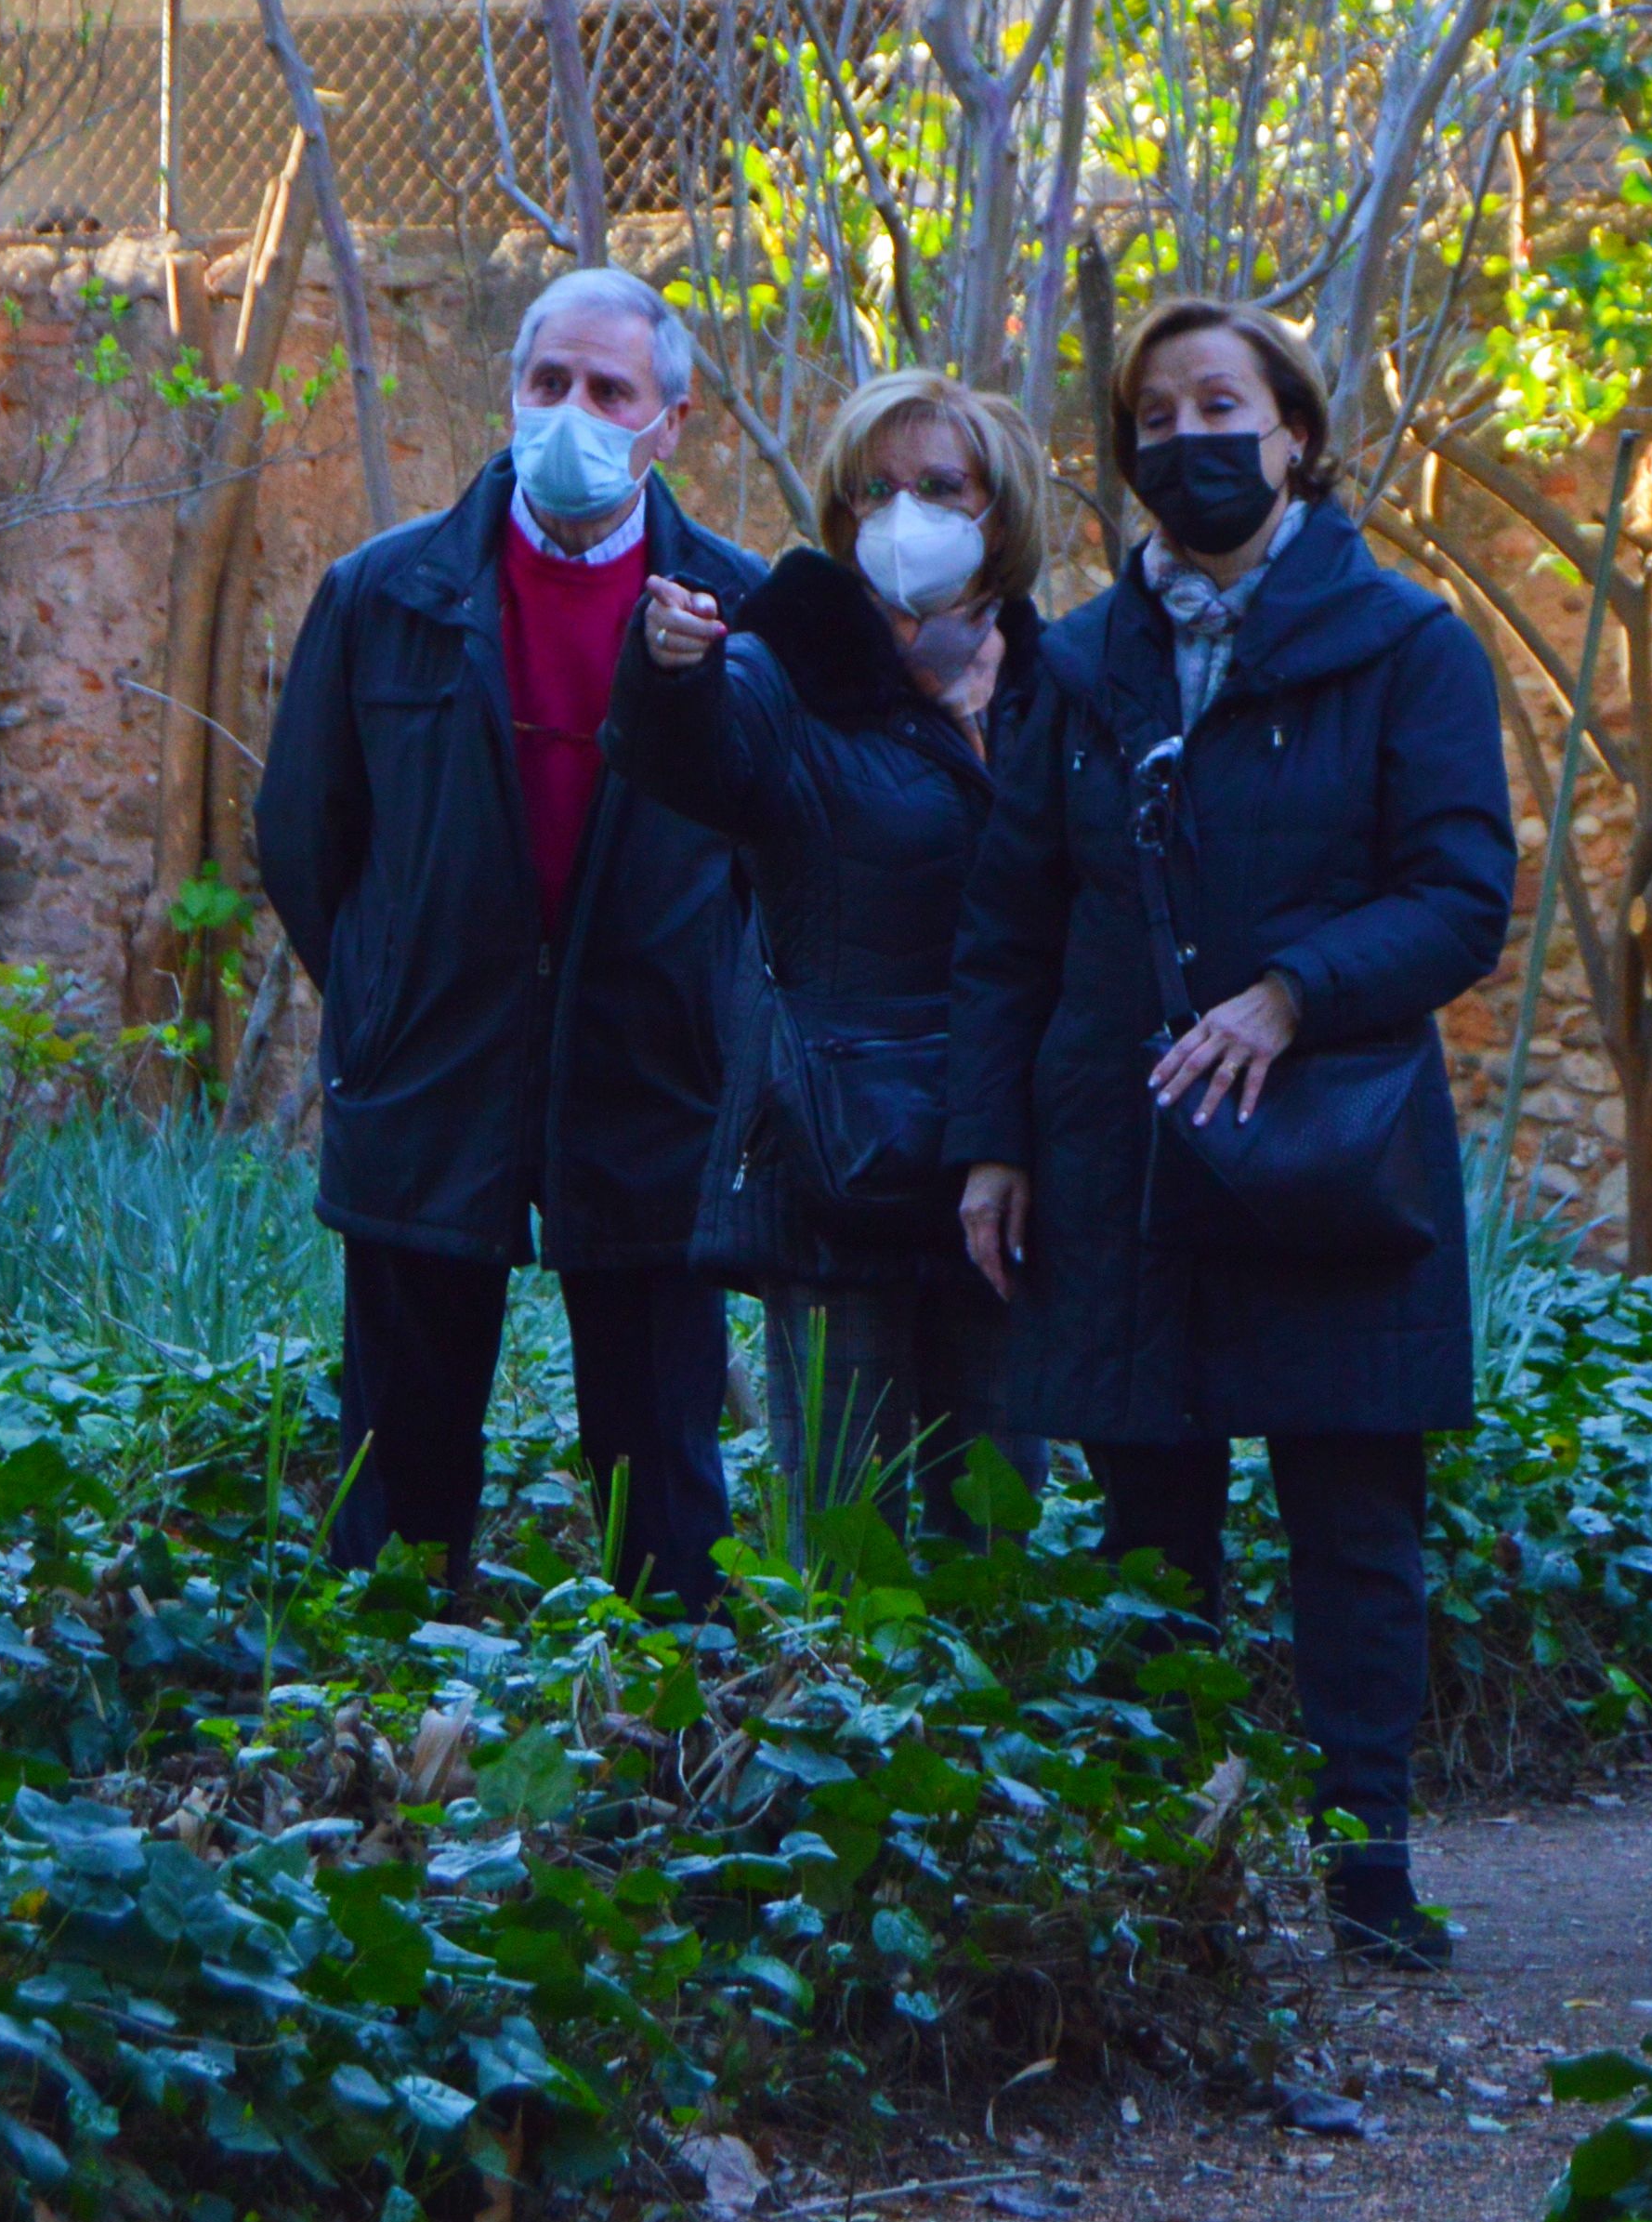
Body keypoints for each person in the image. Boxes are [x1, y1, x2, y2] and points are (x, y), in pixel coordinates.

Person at [948, 299, 1515, 1966]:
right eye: (1156, 414)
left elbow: (1462, 896)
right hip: (1122, 1159)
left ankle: (1366, 1868)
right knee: (1147, 1531)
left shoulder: (1411, 648)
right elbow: (1009, 921)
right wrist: (992, 1141)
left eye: (1224, 405)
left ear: (1297, 437)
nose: (1189, 438)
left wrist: (1290, 994)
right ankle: (1169, 1870)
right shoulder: (1070, 664)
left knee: (1355, 1525)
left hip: (1332, 1145)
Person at [256, 266, 769, 1611]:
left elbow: (780, 855)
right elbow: (308, 837)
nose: (573, 416)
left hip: (654, 1086)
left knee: (661, 1472)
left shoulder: (741, 609)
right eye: (549, 384)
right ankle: (387, 1761)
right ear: (510, 392)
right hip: (431, 1075)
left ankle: (664, 1761)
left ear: (673, 419)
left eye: (610, 392)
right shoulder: (385, 596)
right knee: (400, 1469)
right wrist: (383, 991)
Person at [621, 369, 1055, 1548]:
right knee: (844, 1547)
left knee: (998, 1532)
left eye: (936, 485)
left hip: (1013, 1154)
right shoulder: (781, 670)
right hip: (839, 1153)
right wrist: (670, 672)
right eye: (871, 490)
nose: (901, 512)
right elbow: (693, 760)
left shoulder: (1057, 686)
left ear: (999, 512)